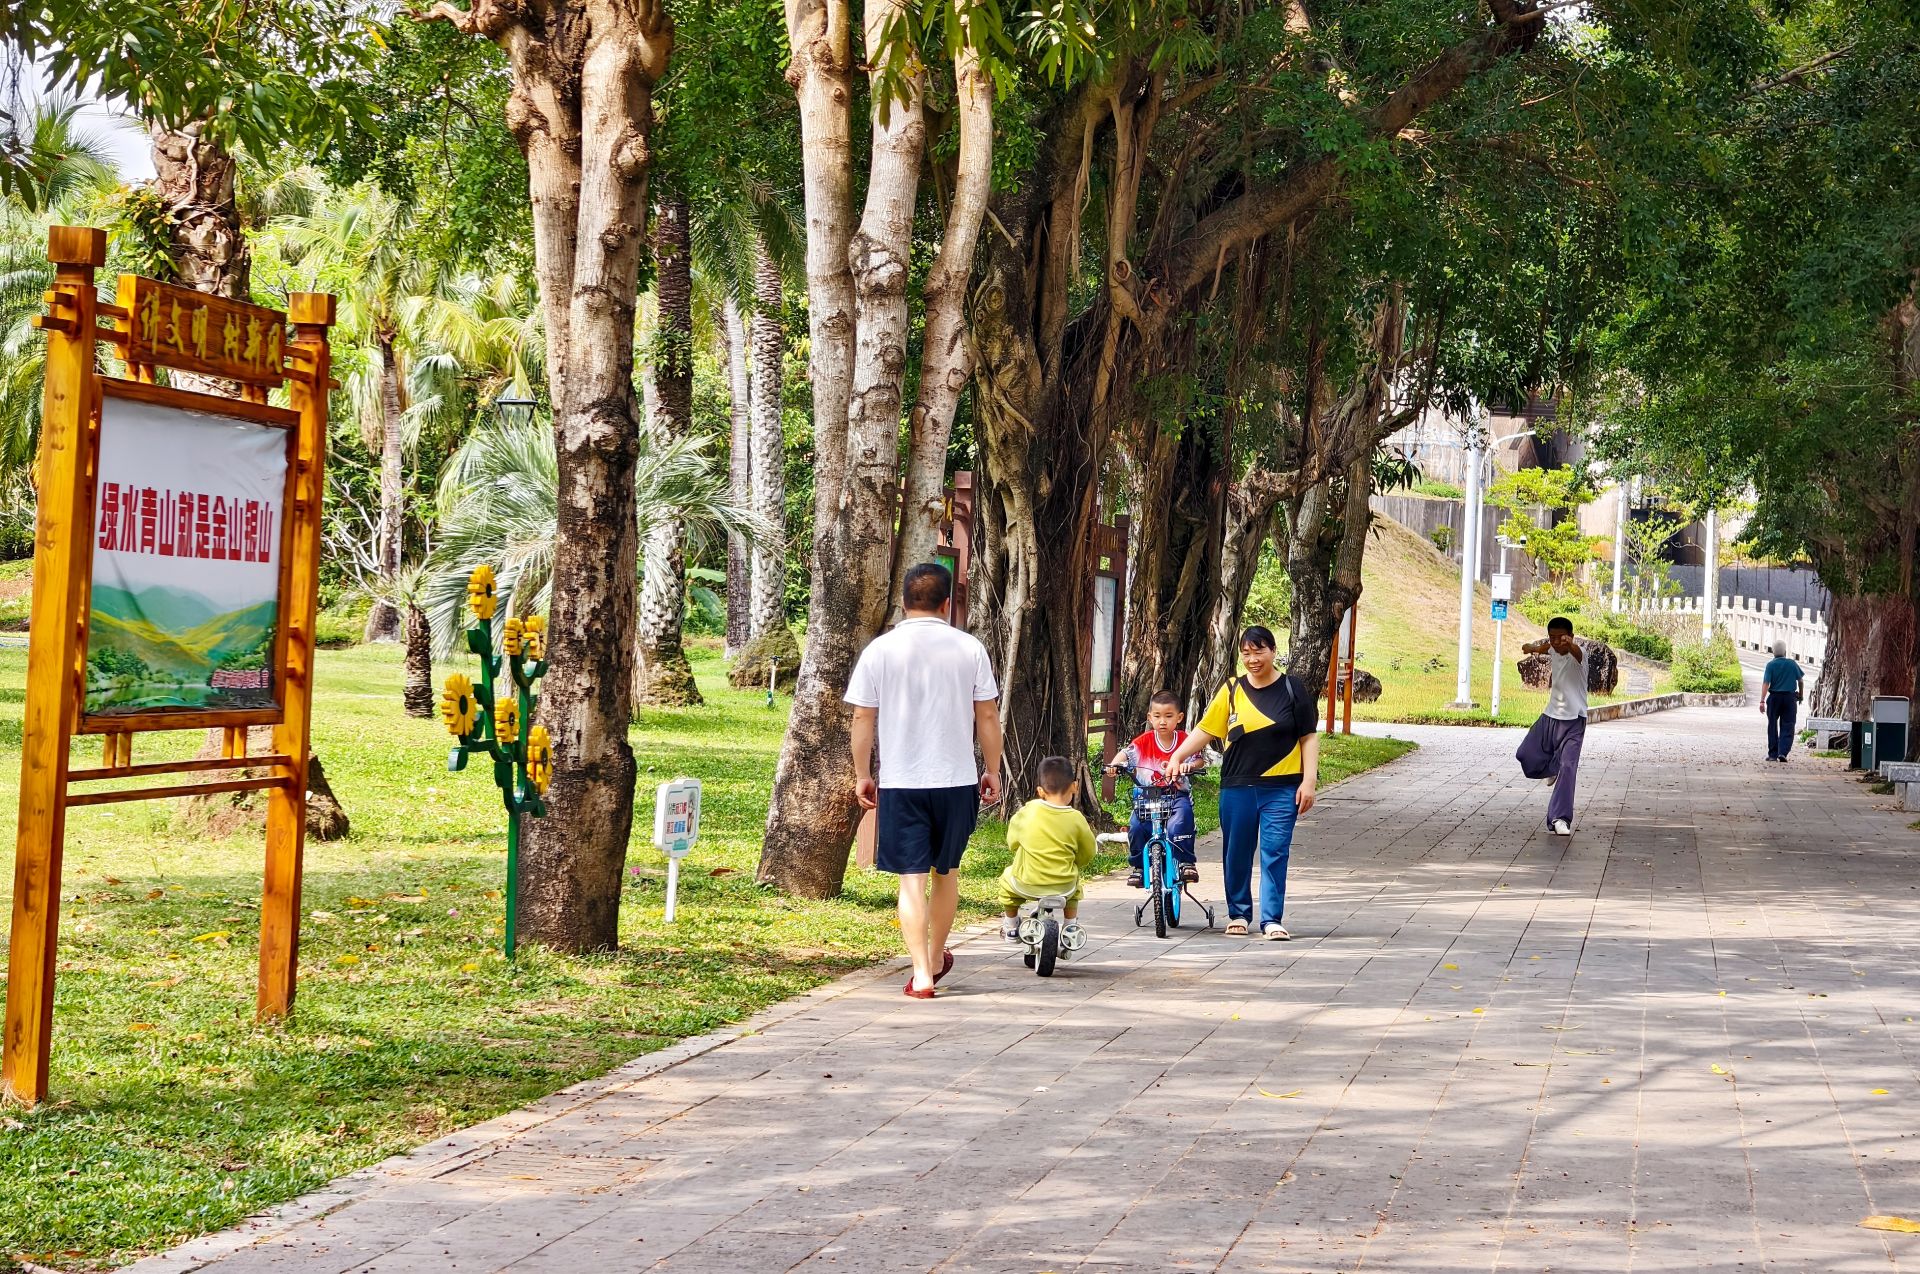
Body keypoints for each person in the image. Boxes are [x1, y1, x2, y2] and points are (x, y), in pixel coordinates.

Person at [847, 563, 1004, 1000]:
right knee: (946, 873)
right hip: (956, 781)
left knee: (911, 880)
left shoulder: (879, 651)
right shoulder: (969, 648)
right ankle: (937, 955)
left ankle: (921, 975)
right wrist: (991, 769)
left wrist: (863, 775)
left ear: (902, 602)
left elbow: (862, 716)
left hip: (901, 782)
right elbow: (987, 715)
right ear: (947, 604)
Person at [1166, 626, 1319, 941]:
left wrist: (1309, 781)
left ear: (1273, 651)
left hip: (1282, 788)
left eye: (1259, 651)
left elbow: (1308, 736)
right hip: (1237, 787)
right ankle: (1238, 913)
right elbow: (1206, 730)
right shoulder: (1231, 690)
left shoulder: (1293, 689)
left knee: (1275, 852)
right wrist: (1176, 756)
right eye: (1246, 653)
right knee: (1236, 852)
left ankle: (1271, 919)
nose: (1252, 659)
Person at [1105, 689, 1206, 888]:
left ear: (1179, 717)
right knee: (1136, 827)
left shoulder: (1185, 740)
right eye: (1157, 716)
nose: (1162, 721)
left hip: (1176, 794)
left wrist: (1190, 766)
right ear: (1150, 717)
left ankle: (1186, 862)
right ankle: (1139, 868)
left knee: (1181, 821)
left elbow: (1199, 760)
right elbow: (1125, 754)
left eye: (1168, 716)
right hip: (1148, 796)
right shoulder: (1144, 741)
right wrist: (1113, 766)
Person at [999, 755, 1097, 943]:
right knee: (1075, 887)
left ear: (1040, 791)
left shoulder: (1027, 812)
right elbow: (1088, 852)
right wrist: (1076, 862)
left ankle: (1011, 926)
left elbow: (1012, 842)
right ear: (1074, 786)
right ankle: (1070, 925)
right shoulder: (1076, 819)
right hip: (1064, 887)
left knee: (1006, 882)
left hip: (1026, 884)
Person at [1515, 616, 1587, 836]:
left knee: (1568, 768)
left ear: (1571, 637)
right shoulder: (1554, 648)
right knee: (1524, 755)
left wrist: (1570, 644)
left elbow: (1575, 651)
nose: (1557, 642)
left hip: (1574, 720)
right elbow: (1548, 647)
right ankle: (1553, 767)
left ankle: (1560, 818)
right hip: (1550, 716)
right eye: (1553, 637)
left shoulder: (1581, 654)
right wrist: (1531, 648)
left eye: (1562, 638)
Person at [1761, 639, 1805, 763]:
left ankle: (1772, 754)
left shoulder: (1770, 665)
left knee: (1772, 725)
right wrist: (1800, 695)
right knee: (1788, 725)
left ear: (1773, 652)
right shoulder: (1792, 664)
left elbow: (1766, 683)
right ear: (1785, 651)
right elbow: (1800, 681)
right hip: (1789, 698)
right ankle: (1783, 752)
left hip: (1774, 698)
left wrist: (1762, 701)